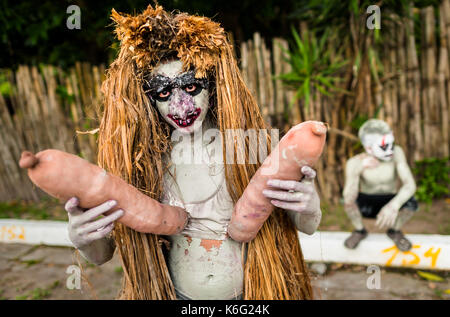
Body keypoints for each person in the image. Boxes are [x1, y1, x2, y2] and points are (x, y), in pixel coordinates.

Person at [64, 5, 321, 300]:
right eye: (163, 92)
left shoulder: (250, 147)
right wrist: (81, 238)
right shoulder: (143, 162)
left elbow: (306, 226)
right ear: (148, 98)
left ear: (211, 84)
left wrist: (309, 205)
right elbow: (102, 255)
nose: (181, 107)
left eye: (190, 86)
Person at [343, 119, 418, 252]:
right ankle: (360, 230)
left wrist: (394, 205)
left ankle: (394, 231)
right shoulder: (355, 162)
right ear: (369, 148)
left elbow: (410, 185)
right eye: (384, 146)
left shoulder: (397, 153)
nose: (390, 150)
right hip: (367, 203)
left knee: (412, 203)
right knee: (347, 200)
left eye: (391, 144)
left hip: (390, 199)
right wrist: (358, 170)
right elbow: (348, 195)